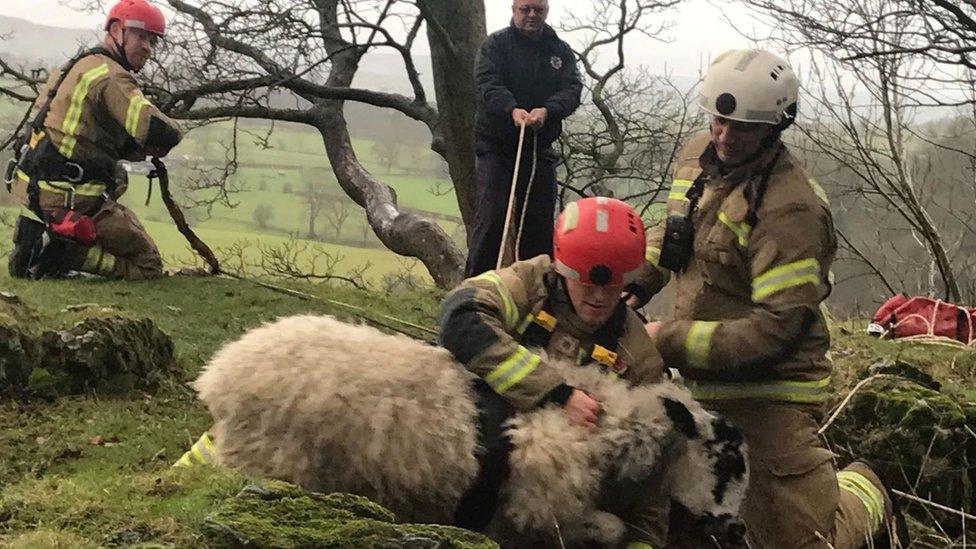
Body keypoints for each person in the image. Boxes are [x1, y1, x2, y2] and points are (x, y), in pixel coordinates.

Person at [632, 49, 903, 548]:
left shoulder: (790, 210)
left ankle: (867, 493)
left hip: (770, 389)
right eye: (719, 121)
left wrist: (664, 340)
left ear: (776, 127)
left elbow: (776, 328)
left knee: (804, 542)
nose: (726, 138)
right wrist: (636, 280)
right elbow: (673, 234)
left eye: (745, 129)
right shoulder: (696, 155)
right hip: (698, 377)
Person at [440, 197, 669, 545]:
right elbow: (460, 317)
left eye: (611, 287)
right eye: (586, 283)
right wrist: (556, 394)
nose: (598, 297)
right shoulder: (531, 282)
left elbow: (651, 485)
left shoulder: (639, 358)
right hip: (473, 461)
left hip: (550, 508)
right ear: (562, 269)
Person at [6, 0, 182, 281]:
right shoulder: (111, 76)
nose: (148, 47)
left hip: (35, 185)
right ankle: (56, 254)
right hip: (71, 197)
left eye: (153, 41)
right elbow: (156, 130)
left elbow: (83, 133)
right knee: (147, 264)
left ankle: (48, 241)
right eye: (141, 36)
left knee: (119, 180)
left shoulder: (79, 64)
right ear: (116, 30)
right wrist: (174, 131)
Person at [465, 0, 582, 277]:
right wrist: (511, 109)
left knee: (540, 227)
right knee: (494, 218)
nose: (532, 15)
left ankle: (537, 298)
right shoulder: (495, 46)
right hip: (496, 146)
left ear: (547, 11)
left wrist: (548, 111)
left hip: (538, 147)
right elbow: (487, 84)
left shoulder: (560, 51)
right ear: (514, 9)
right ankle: (471, 293)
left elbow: (572, 89)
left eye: (538, 10)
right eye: (525, 9)